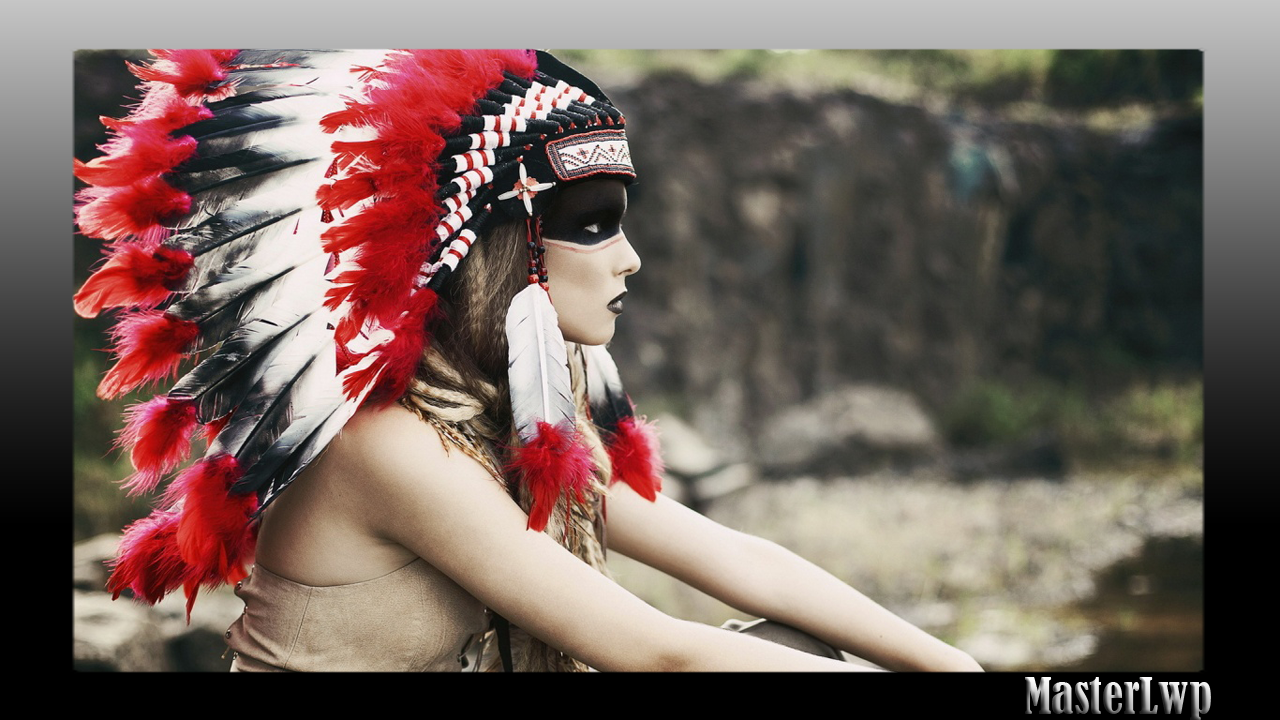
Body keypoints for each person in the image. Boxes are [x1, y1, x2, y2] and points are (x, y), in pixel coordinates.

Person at [74, 49, 983, 672]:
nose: (630, 260)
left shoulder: (506, 413)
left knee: (798, 646)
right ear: (500, 254)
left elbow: (744, 561)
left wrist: (952, 663)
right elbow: (653, 652)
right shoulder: (382, 442)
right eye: (592, 225)